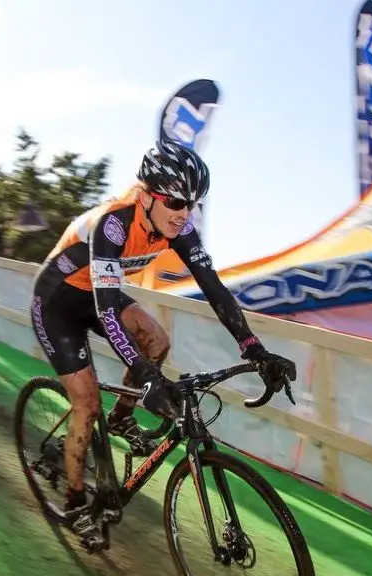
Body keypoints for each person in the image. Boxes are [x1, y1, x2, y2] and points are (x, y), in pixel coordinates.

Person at [29, 139, 297, 549]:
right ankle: (75, 502)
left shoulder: (180, 227)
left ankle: (121, 418)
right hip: (57, 302)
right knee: (86, 403)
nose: (184, 213)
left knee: (156, 340)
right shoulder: (114, 224)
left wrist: (254, 348)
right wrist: (147, 378)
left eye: (193, 203)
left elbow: (215, 290)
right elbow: (104, 313)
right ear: (146, 195)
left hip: (100, 293)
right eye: (174, 202)